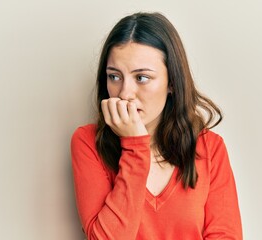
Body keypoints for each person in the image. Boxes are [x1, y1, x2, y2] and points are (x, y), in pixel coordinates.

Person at [71, 12, 242, 240]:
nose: (124, 93)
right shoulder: (88, 142)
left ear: (171, 82)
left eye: (141, 78)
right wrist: (134, 147)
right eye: (114, 77)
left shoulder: (210, 148)